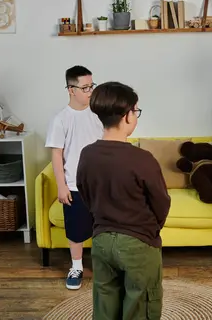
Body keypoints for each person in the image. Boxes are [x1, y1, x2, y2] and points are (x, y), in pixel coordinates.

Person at [76, 81, 170, 319]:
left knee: (105, 302)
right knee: (141, 304)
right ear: (127, 116)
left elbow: (84, 192)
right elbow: (161, 202)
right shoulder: (143, 159)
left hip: (101, 242)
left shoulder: (87, 154)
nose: (135, 117)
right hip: (138, 243)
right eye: (135, 111)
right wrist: (149, 230)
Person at [45, 65, 103, 290]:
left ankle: (105, 267)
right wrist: (62, 186)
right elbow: (57, 155)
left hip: (100, 184)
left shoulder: (98, 114)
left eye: (92, 86)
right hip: (74, 185)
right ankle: (76, 266)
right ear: (71, 89)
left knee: (104, 227)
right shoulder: (61, 119)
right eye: (85, 87)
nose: (90, 91)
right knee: (76, 230)